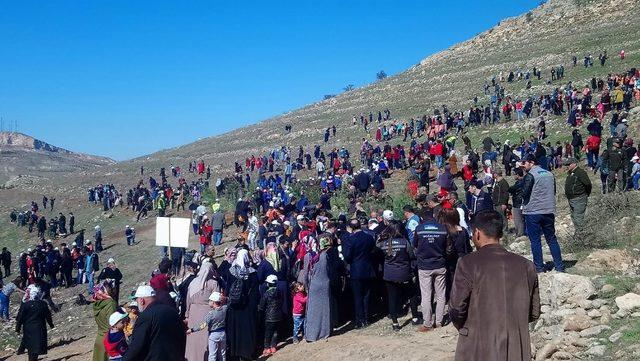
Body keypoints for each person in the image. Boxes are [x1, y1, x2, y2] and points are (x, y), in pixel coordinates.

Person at [449, 210, 540, 361]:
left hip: (477, 346)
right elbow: (534, 312)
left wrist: (466, 328)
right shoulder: (527, 266)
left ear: (477, 233)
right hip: (516, 348)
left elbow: (456, 308)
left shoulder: (467, 263)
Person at [522, 154, 564, 272]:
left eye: (524, 163)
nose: (523, 165)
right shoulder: (550, 174)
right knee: (551, 238)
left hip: (533, 211)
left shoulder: (530, 175)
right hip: (549, 210)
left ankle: (539, 267)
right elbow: (554, 191)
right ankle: (559, 266)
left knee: (535, 240)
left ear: (531, 162)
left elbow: (525, 193)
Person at [122, 285, 187, 361]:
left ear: (142, 300)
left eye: (137, 301)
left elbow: (137, 346)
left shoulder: (145, 316)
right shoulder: (171, 310)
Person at [376, 222, 418, 331]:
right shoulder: (404, 242)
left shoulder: (383, 243)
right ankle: (415, 318)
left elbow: (376, 253)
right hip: (404, 273)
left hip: (389, 274)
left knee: (392, 298)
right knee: (412, 294)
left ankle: (395, 323)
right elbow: (412, 256)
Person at [413, 211, 448, 332]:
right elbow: (447, 247)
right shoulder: (442, 228)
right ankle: (438, 322)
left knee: (426, 295)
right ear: (433, 217)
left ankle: (427, 324)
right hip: (440, 264)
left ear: (422, 218)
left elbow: (415, 245)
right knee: (441, 295)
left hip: (424, 266)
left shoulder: (419, 229)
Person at [225, 249, 259, 361]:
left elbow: (228, 289)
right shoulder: (252, 273)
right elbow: (255, 293)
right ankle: (248, 352)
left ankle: (235, 352)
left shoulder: (231, 271)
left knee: (236, 330)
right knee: (247, 330)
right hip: (248, 307)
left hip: (235, 306)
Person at [342, 218, 376, 329]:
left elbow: (347, 256)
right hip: (368, 268)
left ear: (351, 228)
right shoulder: (369, 237)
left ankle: (359, 320)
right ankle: (366, 318)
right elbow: (372, 250)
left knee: (358, 296)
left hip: (356, 270)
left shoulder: (350, 239)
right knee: (367, 295)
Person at [185, 261, 220, 361]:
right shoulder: (213, 283)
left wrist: (187, 314)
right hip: (207, 313)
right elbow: (216, 300)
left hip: (193, 313)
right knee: (205, 340)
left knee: (193, 339)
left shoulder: (193, 282)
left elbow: (188, 300)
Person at [15, 285, 54, 361]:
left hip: (28, 328)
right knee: (37, 346)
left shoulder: (26, 305)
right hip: (40, 328)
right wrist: (51, 324)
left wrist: (18, 328)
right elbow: (48, 315)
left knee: (31, 346)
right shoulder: (43, 304)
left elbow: (20, 318)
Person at [304, 236, 332, 341]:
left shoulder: (310, 256)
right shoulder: (325, 256)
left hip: (314, 285)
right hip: (324, 284)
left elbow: (306, 273)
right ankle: (323, 333)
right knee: (323, 311)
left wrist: (306, 286)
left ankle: (312, 334)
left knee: (313, 311)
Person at [187, 291, 228, 361]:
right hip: (223, 333)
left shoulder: (211, 314)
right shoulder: (225, 309)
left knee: (212, 355)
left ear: (213, 302)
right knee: (222, 354)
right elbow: (228, 301)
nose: (209, 302)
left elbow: (203, 325)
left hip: (213, 335)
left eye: (210, 300)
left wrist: (192, 330)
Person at [564, 157, 592, 238]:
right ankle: (578, 233)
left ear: (574, 164)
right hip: (572, 199)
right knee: (573, 216)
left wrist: (586, 194)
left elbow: (588, 184)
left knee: (578, 216)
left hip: (579, 198)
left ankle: (581, 235)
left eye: (569, 164)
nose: (567, 166)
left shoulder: (580, 172)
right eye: (566, 165)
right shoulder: (570, 173)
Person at [92, 281, 118, 361]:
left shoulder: (97, 304)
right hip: (109, 339)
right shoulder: (111, 303)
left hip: (99, 338)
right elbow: (112, 323)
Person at [259, 274, 282, 356]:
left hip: (269, 316)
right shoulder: (279, 292)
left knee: (268, 332)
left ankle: (266, 348)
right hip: (278, 315)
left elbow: (262, 306)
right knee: (275, 332)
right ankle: (273, 346)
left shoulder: (266, 294)